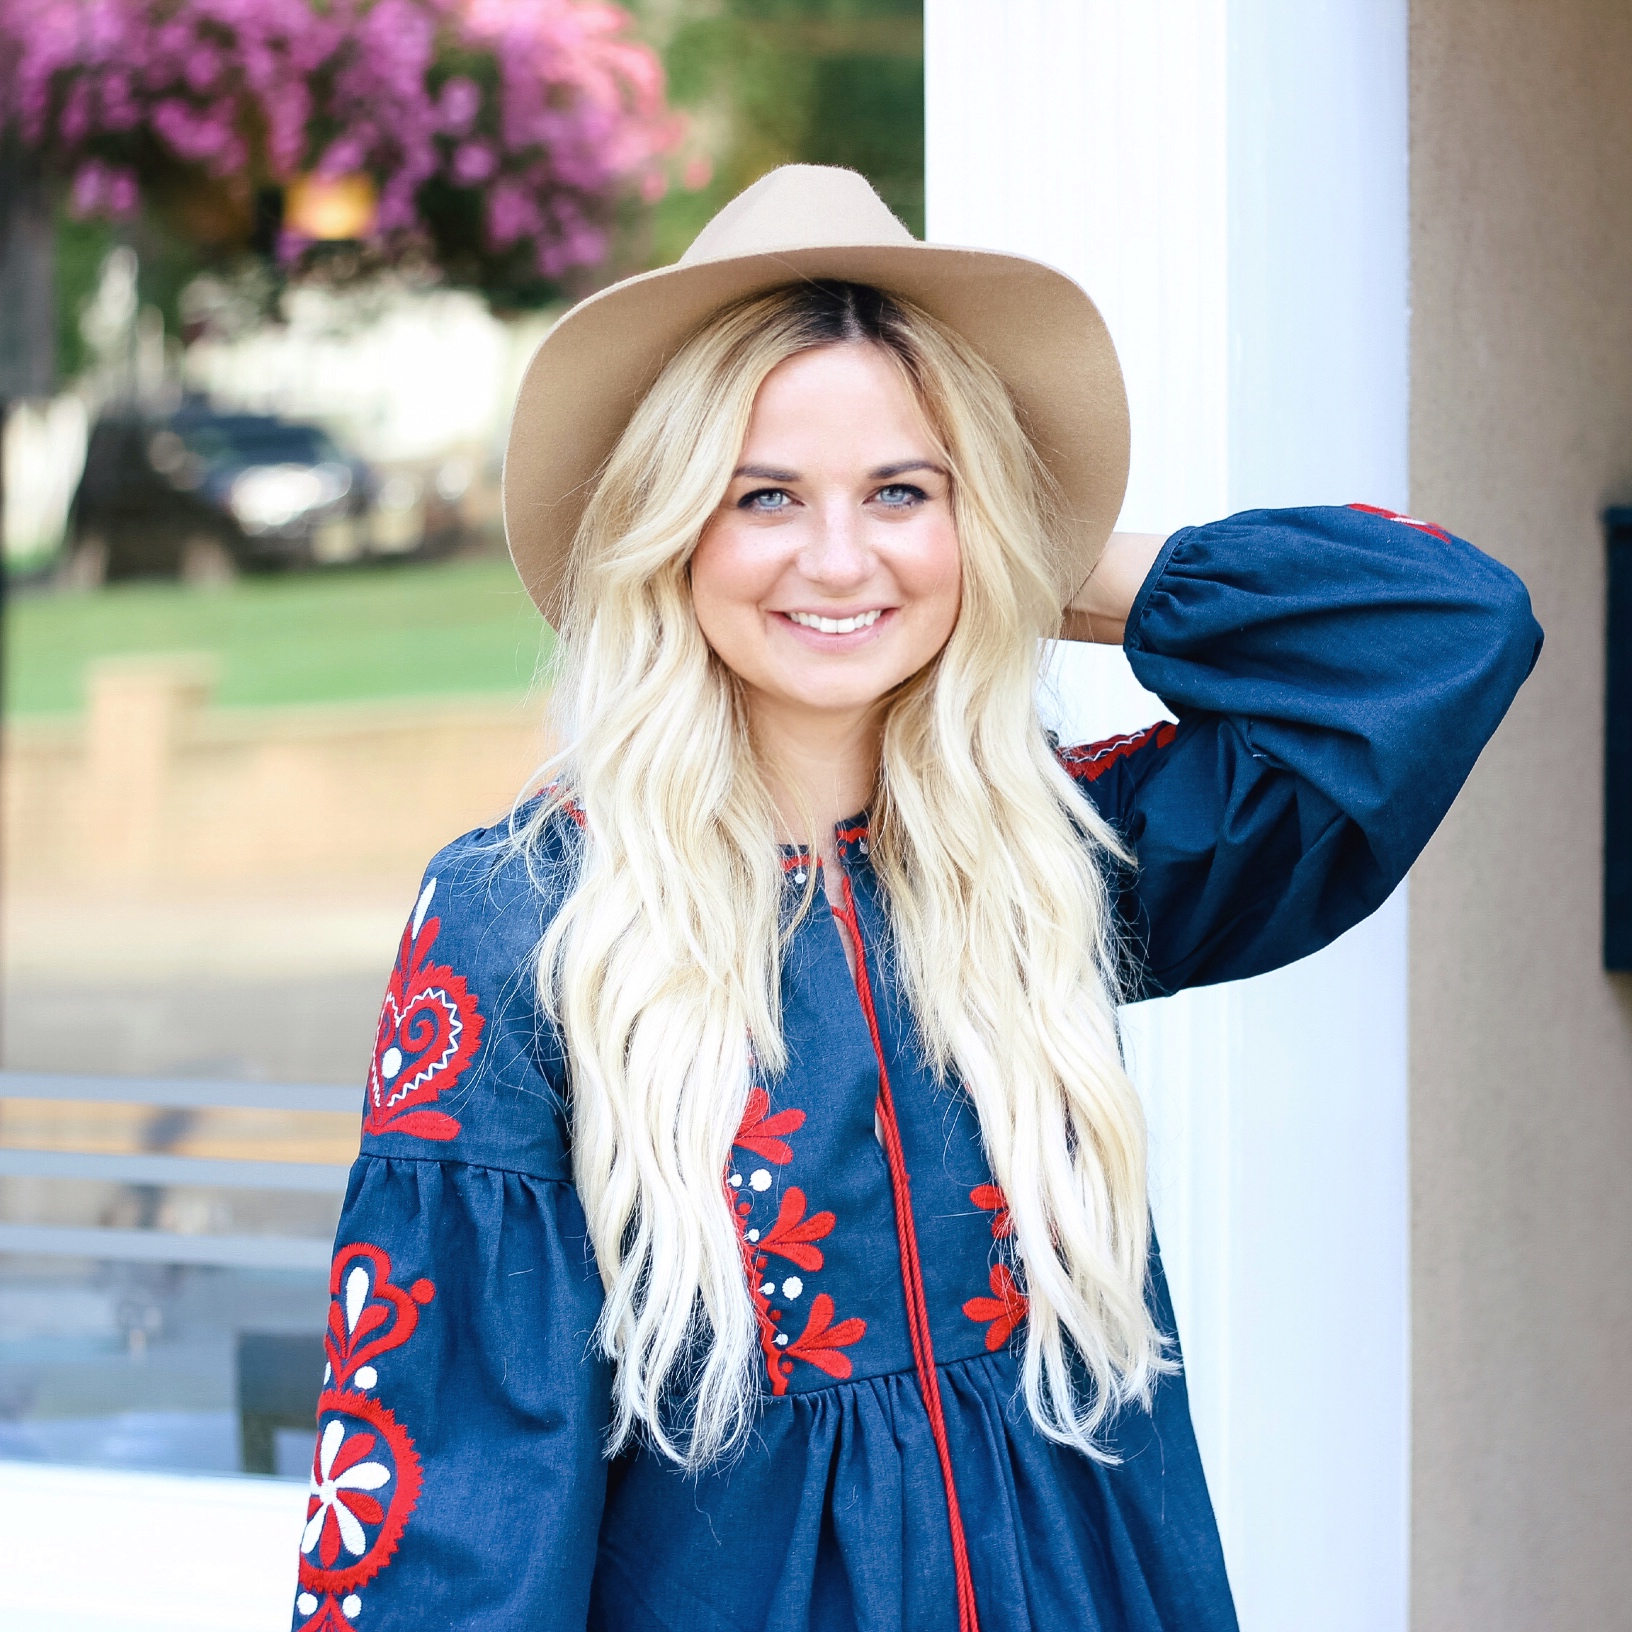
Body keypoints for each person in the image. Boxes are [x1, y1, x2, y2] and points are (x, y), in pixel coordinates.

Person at [289, 167, 1541, 1632]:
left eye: (901, 491)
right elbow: (447, 1505)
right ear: (672, 522)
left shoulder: (1049, 854)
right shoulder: (528, 918)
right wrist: (937, 538)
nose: (837, 559)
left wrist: (1035, 562)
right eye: (765, 497)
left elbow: (1441, 635)